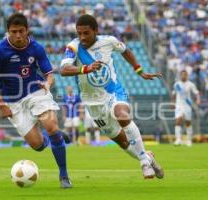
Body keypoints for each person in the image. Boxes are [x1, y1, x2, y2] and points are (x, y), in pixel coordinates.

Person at [60, 14, 164, 179]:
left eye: (86, 33)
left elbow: (126, 51)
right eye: (79, 33)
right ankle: (148, 157)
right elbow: (64, 69)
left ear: (95, 30)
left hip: (113, 92)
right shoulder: (73, 47)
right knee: (123, 142)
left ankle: (144, 162)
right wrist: (85, 69)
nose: (82, 37)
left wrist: (139, 70)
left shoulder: (108, 41)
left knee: (122, 116)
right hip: (92, 102)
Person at [0, 13, 72, 188]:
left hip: (36, 92)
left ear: (27, 30)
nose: (17, 35)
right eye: (13, 32)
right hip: (13, 102)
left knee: (51, 127)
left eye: (21, 31)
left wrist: (47, 84)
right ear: (8, 32)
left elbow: (49, 75)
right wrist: (1, 105)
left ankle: (64, 175)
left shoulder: (36, 48)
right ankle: (56, 137)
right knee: (38, 145)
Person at [171, 70, 200, 147]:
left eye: (185, 75)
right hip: (179, 105)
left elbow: (196, 93)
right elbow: (173, 94)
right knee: (178, 121)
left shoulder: (190, 84)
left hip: (187, 105)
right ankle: (178, 139)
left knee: (188, 122)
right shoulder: (177, 84)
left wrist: (198, 100)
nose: (183, 76)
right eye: (182, 75)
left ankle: (189, 140)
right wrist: (172, 102)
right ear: (180, 75)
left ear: (187, 76)